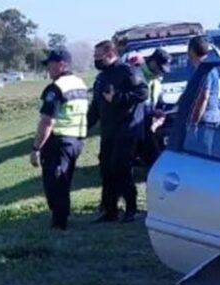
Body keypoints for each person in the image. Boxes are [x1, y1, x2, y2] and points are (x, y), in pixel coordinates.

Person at [87, 40, 149, 223]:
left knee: (121, 168)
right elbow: (96, 106)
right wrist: (85, 126)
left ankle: (131, 209)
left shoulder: (128, 71)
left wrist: (119, 98)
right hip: (109, 131)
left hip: (127, 129)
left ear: (109, 54)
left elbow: (143, 93)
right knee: (107, 169)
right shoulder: (101, 77)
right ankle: (110, 210)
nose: (95, 60)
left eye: (98, 56)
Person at [30, 48, 89, 231]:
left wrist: (36, 147)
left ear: (62, 64)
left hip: (59, 141)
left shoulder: (56, 88)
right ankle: (63, 216)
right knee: (65, 179)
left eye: (50, 64)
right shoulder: (80, 84)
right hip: (76, 140)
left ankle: (59, 223)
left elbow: (47, 121)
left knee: (54, 183)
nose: (48, 68)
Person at [187, 35, 220, 127]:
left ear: (191, 51)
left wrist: (194, 122)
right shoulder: (208, 67)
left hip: (205, 119)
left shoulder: (205, 69)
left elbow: (203, 97)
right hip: (210, 117)